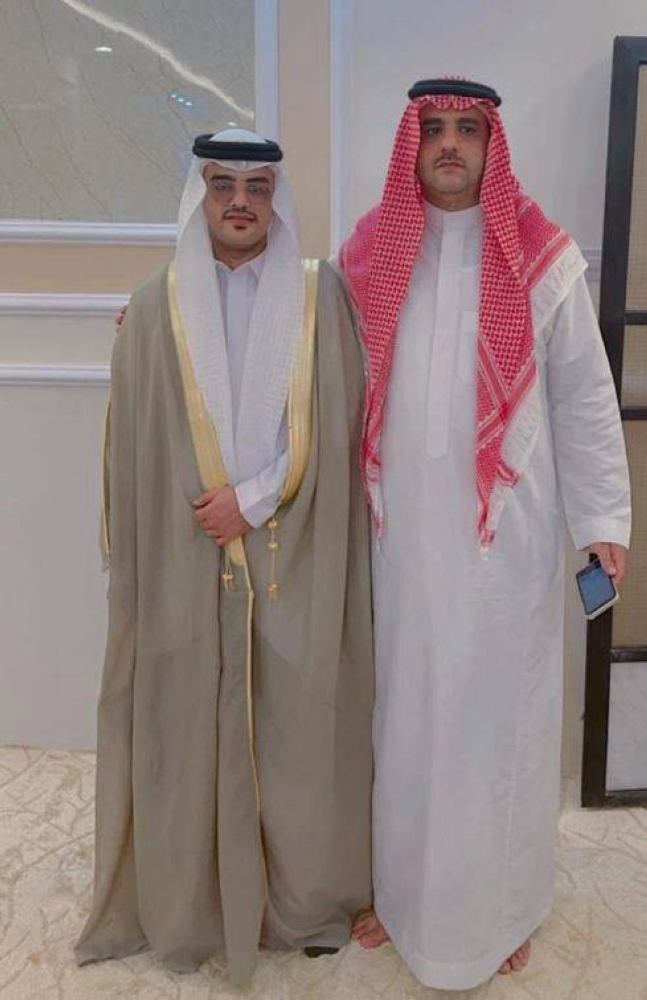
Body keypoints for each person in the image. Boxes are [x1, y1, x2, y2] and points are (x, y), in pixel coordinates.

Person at [340, 79, 631, 990]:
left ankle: (502, 911)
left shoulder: (543, 261)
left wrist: (602, 521)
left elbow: (584, 396)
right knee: (406, 721)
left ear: (490, 143)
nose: (449, 144)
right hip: (402, 546)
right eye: (434, 128)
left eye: (466, 129)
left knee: (495, 728)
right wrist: (153, 318)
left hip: (503, 544)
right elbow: (307, 344)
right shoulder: (369, 253)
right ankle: (402, 899)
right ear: (412, 142)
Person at [75, 129, 373, 987]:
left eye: (257, 186)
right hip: (189, 555)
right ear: (198, 195)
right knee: (187, 722)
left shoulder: (319, 296)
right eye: (221, 185)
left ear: (277, 198)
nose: (240, 202)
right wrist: (212, 511)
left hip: (289, 545)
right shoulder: (156, 306)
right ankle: (190, 904)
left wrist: (253, 500)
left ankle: (302, 904)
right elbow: (146, 443)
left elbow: (336, 420)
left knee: (299, 727)